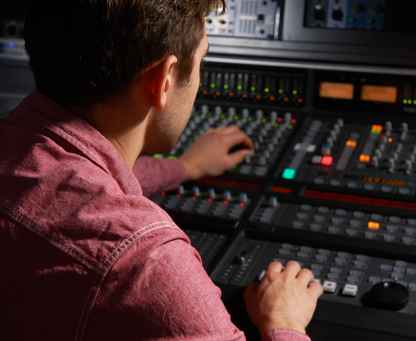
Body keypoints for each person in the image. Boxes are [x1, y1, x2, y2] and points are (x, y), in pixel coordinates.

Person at [0, 1, 324, 340]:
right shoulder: (149, 263)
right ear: (164, 80)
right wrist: (285, 323)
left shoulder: (15, 143)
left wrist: (186, 167)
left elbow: (69, 177)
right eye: (202, 61)